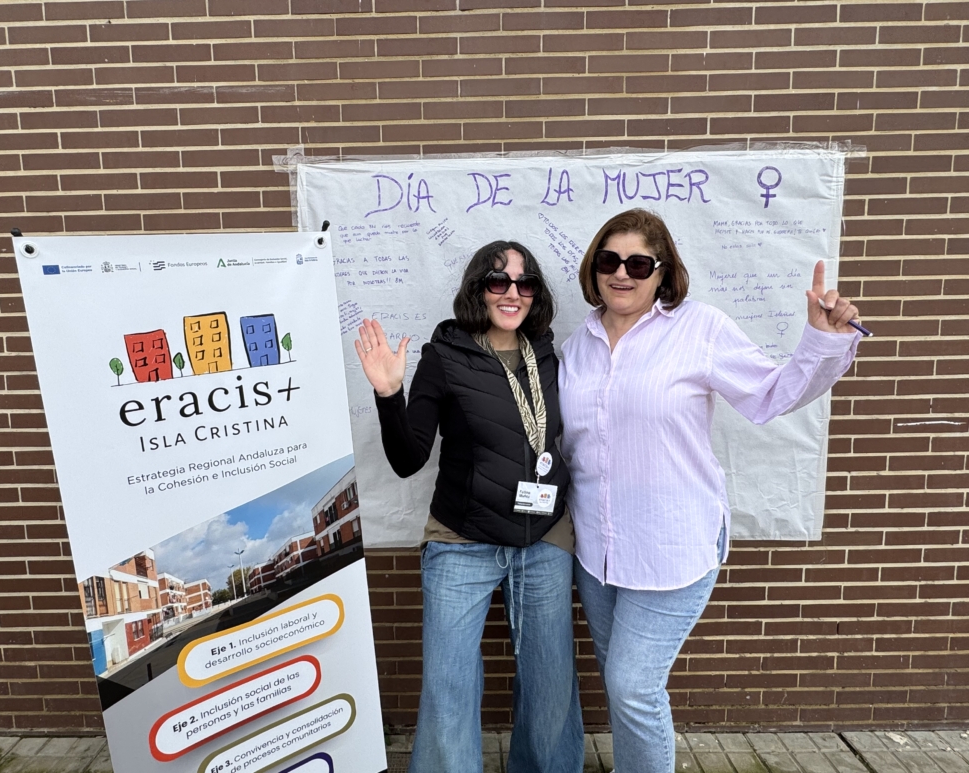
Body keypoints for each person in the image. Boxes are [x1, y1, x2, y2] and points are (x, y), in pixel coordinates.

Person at [559, 209, 862, 773]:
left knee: (632, 688)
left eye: (638, 264)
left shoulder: (699, 329)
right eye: (609, 260)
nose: (621, 273)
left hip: (672, 546)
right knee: (623, 687)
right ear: (593, 268)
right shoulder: (578, 346)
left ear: (662, 272)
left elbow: (770, 394)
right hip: (598, 552)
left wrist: (822, 343)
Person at [355, 240, 583, 773]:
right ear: (478, 289)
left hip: (544, 540)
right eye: (499, 281)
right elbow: (408, 460)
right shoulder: (445, 356)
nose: (512, 293)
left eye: (525, 283)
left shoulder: (548, 354)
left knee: (550, 685)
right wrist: (389, 395)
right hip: (462, 541)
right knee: (449, 684)